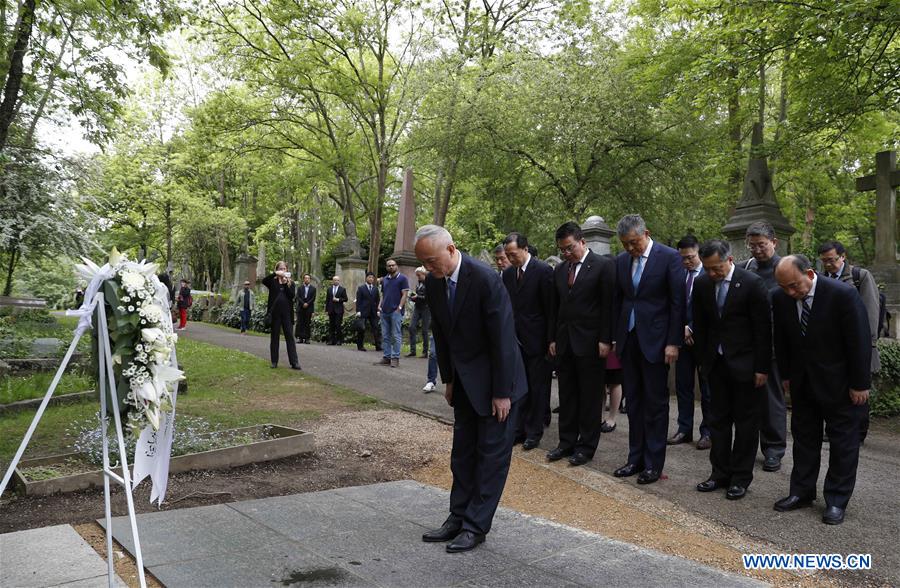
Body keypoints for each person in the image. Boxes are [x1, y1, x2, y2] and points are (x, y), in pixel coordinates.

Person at [415, 224, 526, 553]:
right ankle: (458, 516)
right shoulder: (435, 284)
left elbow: (503, 338)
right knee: (462, 454)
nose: (429, 269)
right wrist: (448, 379)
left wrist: (502, 392)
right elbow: (443, 335)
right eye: (424, 264)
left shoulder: (484, 279)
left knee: (490, 457)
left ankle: (476, 526)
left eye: (432, 261)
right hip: (464, 381)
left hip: (497, 382)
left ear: (451, 250)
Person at [771, 255, 871, 525]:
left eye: (794, 286)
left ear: (810, 273)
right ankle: (801, 492)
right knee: (804, 439)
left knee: (843, 444)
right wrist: (787, 375)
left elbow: (859, 341)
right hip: (803, 383)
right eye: (784, 287)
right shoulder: (780, 298)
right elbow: (782, 339)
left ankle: (837, 500)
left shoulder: (842, 295)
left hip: (841, 384)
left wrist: (860, 384)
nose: (791, 293)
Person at [691, 240, 771, 501]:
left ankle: (740, 477)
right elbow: (701, 325)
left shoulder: (752, 283)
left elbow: (763, 329)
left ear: (730, 260)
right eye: (708, 269)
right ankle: (719, 473)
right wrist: (703, 360)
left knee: (746, 424)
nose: (712, 274)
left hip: (747, 366)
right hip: (716, 364)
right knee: (718, 421)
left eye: (717, 268)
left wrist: (762, 367)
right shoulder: (702, 284)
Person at [612, 214, 684, 485]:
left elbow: (677, 302)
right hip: (629, 341)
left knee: (655, 404)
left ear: (646, 233)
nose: (631, 249)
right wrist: (615, 337)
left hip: (657, 342)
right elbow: (618, 302)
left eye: (634, 243)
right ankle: (635, 459)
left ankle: (654, 464)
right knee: (634, 403)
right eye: (625, 244)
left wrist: (673, 341)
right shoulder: (621, 262)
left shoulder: (668, 257)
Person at [546, 223, 615, 466]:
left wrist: (606, 339)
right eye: (562, 250)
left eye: (570, 248)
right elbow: (556, 309)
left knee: (589, 396)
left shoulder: (603, 266)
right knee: (567, 395)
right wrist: (552, 338)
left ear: (581, 241)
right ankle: (565, 442)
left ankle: (586, 446)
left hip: (591, 342)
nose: (566, 253)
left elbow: (608, 306)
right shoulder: (560, 270)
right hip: (565, 342)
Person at [502, 232, 554, 451]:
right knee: (518, 389)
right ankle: (519, 429)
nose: (510, 258)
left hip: (537, 340)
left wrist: (551, 340)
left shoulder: (542, 271)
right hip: (515, 340)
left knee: (537, 388)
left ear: (524, 248)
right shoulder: (507, 275)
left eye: (512, 254)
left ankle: (534, 432)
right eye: (507, 255)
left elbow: (551, 310)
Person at [742, 221, 787, 472]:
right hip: (747, 344)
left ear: (774, 243)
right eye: (752, 245)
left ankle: (774, 449)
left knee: (771, 399)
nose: (757, 250)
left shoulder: (785, 269)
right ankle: (747, 446)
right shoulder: (745, 268)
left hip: (773, 345)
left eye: (762, 245)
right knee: (747, 399)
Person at [669, 235, 713, 450]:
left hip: (703, 340)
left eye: (691, 257)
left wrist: (692, 327)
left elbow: (713, 307)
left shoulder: (710, 274)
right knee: (683, 386)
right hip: (682, 340)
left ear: (699, 253)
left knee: (707, 389)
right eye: (683, 258)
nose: (687, 261)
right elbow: (672, 305)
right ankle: (684, 429)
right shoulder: (678, 276)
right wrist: (680, 329)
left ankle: (708, 432)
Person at [817, 240, 881, 374]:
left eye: (831, 260)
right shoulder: (820, 279)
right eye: (824, 261)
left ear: (843, 256)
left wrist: (869, 343)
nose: (828, 264)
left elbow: (871, 310)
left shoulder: (860, 276)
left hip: (856, 341)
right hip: (830, 348)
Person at [262, 262, 301, 370]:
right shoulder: (272, 281)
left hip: (287, 314)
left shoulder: (290, 283)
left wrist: (285, 283)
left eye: (284, 269)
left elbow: (292, 296)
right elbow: (263, 281)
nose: (282, 270)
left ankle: (294, 362)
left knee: (290, 338)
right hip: (275, 314)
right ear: (277, 269)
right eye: (280, 268)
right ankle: (274, 361)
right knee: (274, 337)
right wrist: (275, 273)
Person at [375, 259, 409, 367]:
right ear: (386, 267)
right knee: (385, 336)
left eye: (393, 265)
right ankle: (386, 357)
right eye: (389, 265)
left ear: (396, 266)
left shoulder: (402, 278)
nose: (391, 267)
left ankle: (395, 358)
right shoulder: (385, 279)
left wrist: (399, 307)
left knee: (396, 335)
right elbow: (384, 294)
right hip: (385, 311)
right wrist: (380, 305)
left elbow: (404, 294)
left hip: (396, 311)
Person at [355, 271, 382, 351]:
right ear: (366, 278)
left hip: (373, 312)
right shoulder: (361, 288)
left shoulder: (375, 289)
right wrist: (358, 311)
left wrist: (378, 310)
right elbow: (358, 300)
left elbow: (377, 300)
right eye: (369, 277)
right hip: (363, 311)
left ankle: (378, 345)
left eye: (372, 278)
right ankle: (360, 346)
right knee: (362, 328)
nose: (371, 279)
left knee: (376, 328)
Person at [407, 267, 431, 357]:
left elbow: (429, 298)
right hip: (417, 308)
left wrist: (417, 297)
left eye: (419, 275)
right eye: (417, 275)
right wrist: (412, 297)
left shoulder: (429, 284)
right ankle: (413, 351)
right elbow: (418, 297)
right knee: (411, 327)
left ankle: (425, 352)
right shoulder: (419, 284)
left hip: (426, 308)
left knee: (425, 330)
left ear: (424, 274)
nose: (417, 277)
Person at [325, 275, 348, 346]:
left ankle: (339, 340)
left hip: (339, 310)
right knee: (331, 326)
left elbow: (345, 299)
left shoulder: (342, 289)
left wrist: (338, 300)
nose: (336, 281)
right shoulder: (329, 289)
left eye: (337, 280)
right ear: (332, 281)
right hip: (331, 309)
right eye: (335, 280)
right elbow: (327, 300)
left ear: (339, 281)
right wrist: (326, 310)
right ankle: (331, 340)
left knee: (338, 325)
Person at [295, 274, 316, 344]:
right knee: (300, 323)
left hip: (309, 308)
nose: (307, 279)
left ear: (310, 280)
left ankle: (307, 338)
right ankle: (300, 338)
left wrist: (307, 304)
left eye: (308, 278)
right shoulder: (300, 288)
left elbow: (313, 298)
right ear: (303, 279)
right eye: (305, 278)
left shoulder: (313, 289)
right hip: (301, 307)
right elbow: (298, 297)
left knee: (307, 323)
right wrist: (303, 303)